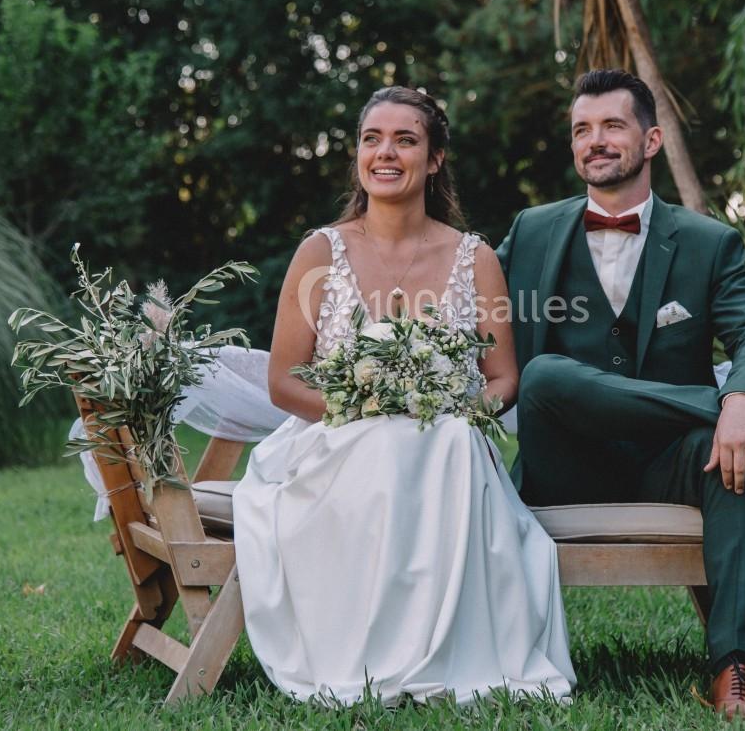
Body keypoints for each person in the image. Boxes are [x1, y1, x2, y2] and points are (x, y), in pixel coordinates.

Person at [495, 69, 745, 721]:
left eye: (612, 125)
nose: (595, 141)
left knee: (731, 458)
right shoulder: (530, 231)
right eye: (582, 129)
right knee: (547, 376)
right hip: (564, 466)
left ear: (653, 138)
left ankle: (735, 668)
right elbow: (472, 314)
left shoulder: (707, 242)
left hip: (669, 456)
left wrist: (744, 399)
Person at [231, 86, 576, 706]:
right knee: (387, 442)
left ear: (435, 158)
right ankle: (362, 653)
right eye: (372, 139)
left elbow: (504, 379)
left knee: (438, 439)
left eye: (405, 139)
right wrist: (360, 411)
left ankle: (445, 650)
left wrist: (453, 408)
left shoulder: (475, 259)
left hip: (446, 448)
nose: (385, 153)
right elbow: (283, 380)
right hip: (327, 446)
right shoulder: (320, 252)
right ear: (358, 155)